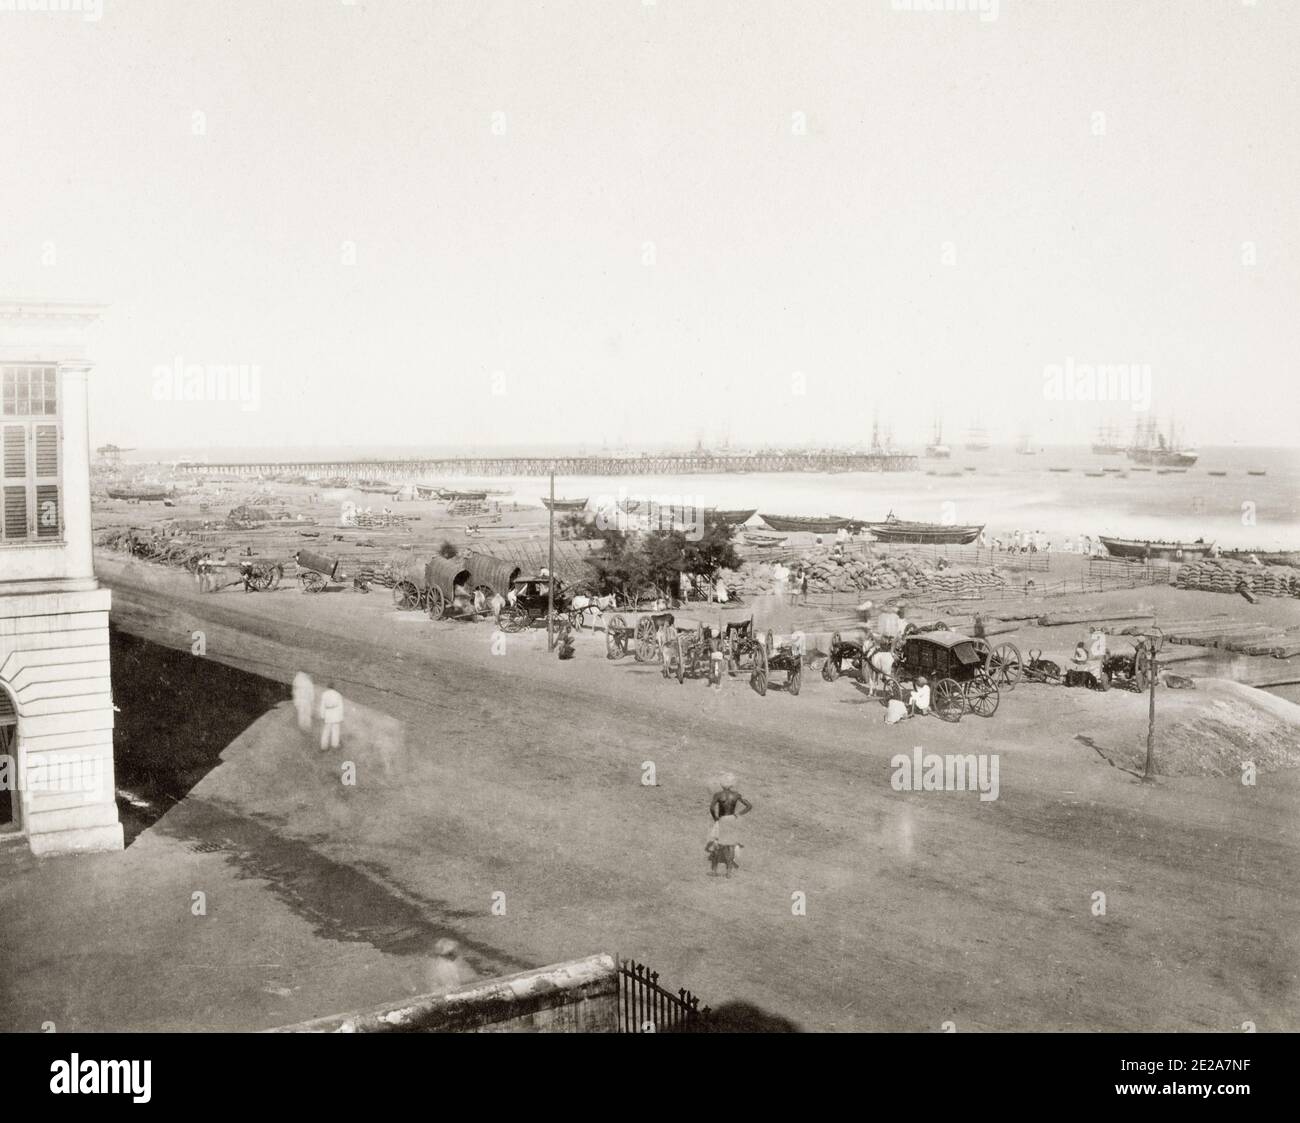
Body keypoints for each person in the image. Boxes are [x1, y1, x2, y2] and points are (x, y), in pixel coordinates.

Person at [708, 774, 753, 878]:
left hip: (722, 819)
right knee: (731, 845)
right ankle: (729, 872)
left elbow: (711, 808)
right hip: (732, 819)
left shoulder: (718, 795)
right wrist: (738, 814)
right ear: (732, 785)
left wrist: (715, 818)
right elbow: (749, 806)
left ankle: (714, 871)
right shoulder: (736, 795)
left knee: (717, 844)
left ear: (721, 784)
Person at [318, 681, 344, 751]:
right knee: (335, 730)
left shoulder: (324, 694)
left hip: (328, 714)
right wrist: (341, 717)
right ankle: (335, 745)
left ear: (328, 687)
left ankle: (324, 746)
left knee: (326, 731)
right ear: (334, 687)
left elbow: (322, 706)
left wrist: (322, 715)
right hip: (335, 714)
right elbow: (341, 707)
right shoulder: (338, 694)